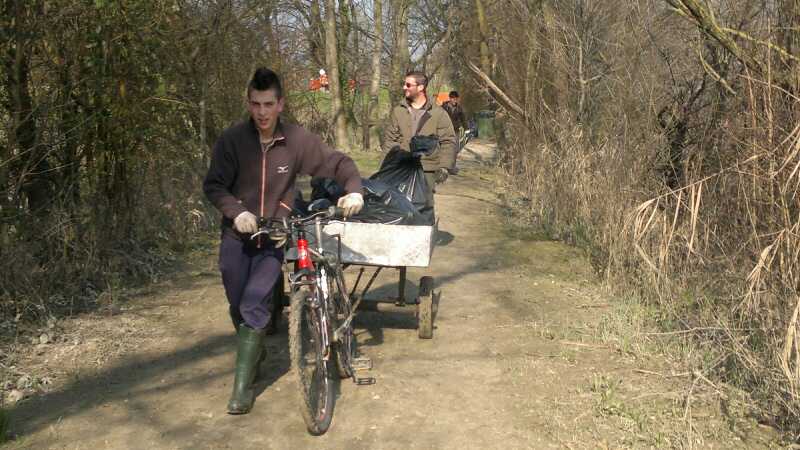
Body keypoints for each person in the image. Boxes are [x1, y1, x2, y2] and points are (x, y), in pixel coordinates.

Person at [203, 67, 364, 415]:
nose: (262, 112)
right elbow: (213, 184)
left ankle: (242, 390)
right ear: (248, 103)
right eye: (255, 104)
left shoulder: (295, 140)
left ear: (280, 104)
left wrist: (354, 190)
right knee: (237, 303)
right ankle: (255, 347)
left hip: (274, 238)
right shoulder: (232, 141)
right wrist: (236, 212)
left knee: (254, 303)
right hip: (236, 235)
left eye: (268, 104)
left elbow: (336, 162)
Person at [382, 70, 457, 217]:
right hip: (401, 167)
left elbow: (448, 141)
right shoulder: (398, 111)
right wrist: (384, 168)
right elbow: (390, 141)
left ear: (421, 87)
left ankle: (426, 231)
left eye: (408, 85)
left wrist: (444, 167)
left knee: (424, 209)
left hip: (427, 170)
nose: (404, 87)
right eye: (404, 84)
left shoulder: (438, 113)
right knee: (397, 208)